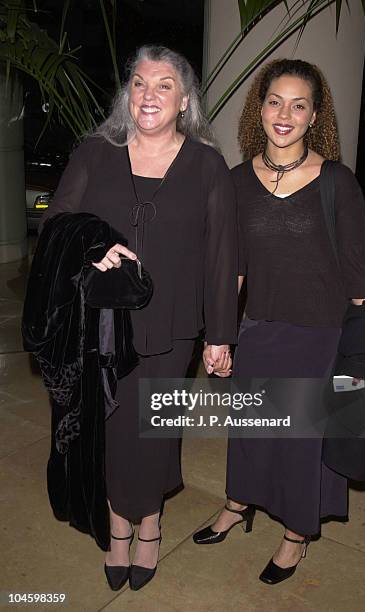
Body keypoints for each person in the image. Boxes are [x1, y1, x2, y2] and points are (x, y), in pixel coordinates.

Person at [40, 44, 237, 591]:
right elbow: (57, 221)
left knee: (155, 433)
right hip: (101, 325)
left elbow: (223, 253)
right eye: (140, 83)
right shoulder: (94, 154)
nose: (150, 94)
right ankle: (118, 527)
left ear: (184, 100)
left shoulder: (206, 165)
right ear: (128, 94)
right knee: (108, 429)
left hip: (173, 328)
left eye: (164, 84)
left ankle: (148, 521)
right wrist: (89, 243)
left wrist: (221, 336)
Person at [193, 59, 365, 585]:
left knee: (301, 444)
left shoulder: (336, 182)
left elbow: (360, 277)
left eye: (299, 105)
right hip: (258, 330)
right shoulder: (235, 181)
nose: (285, 114)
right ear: (260, 106)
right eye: (275, 101)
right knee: (250, 430)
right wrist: (220, 336)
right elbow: (232, 270)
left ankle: (297, 535)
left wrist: (363, 366)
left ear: (315, 116)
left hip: (320, 336)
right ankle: (238, 503)